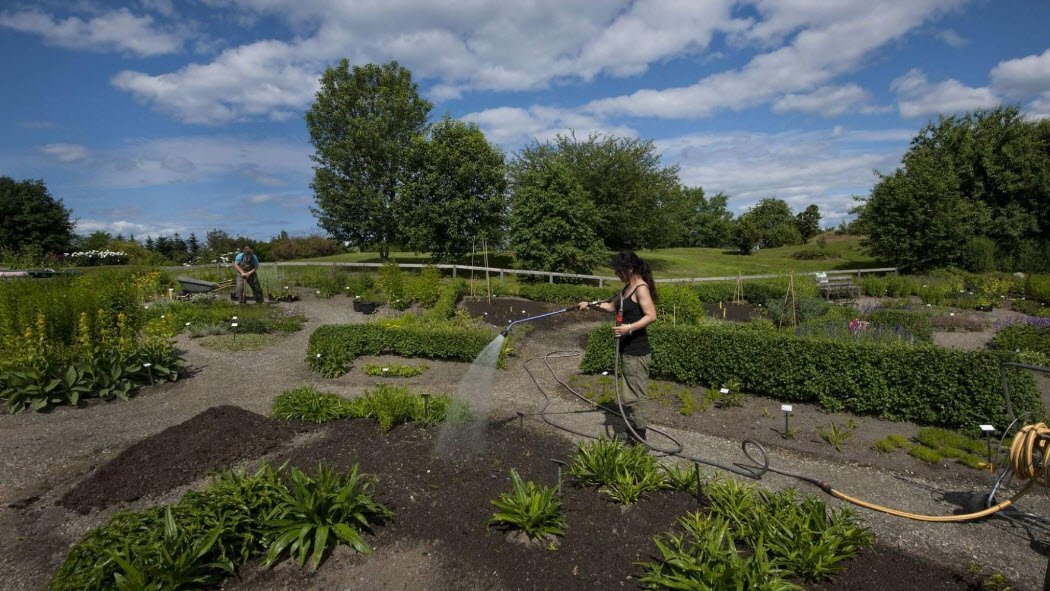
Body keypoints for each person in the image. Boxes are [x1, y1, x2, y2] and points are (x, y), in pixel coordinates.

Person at [577, 251, 658, 442]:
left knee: (634, 396)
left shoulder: (640, 288)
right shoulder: (627, 288)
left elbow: (651, 316)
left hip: (637, 352)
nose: (617, 275)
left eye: (619, 271)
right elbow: (611, 306)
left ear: (630, 269)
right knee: (630, 394)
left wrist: (628, 328)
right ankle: (633, 432)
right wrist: (590, 304)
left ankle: (639, 438)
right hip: (627, 350)